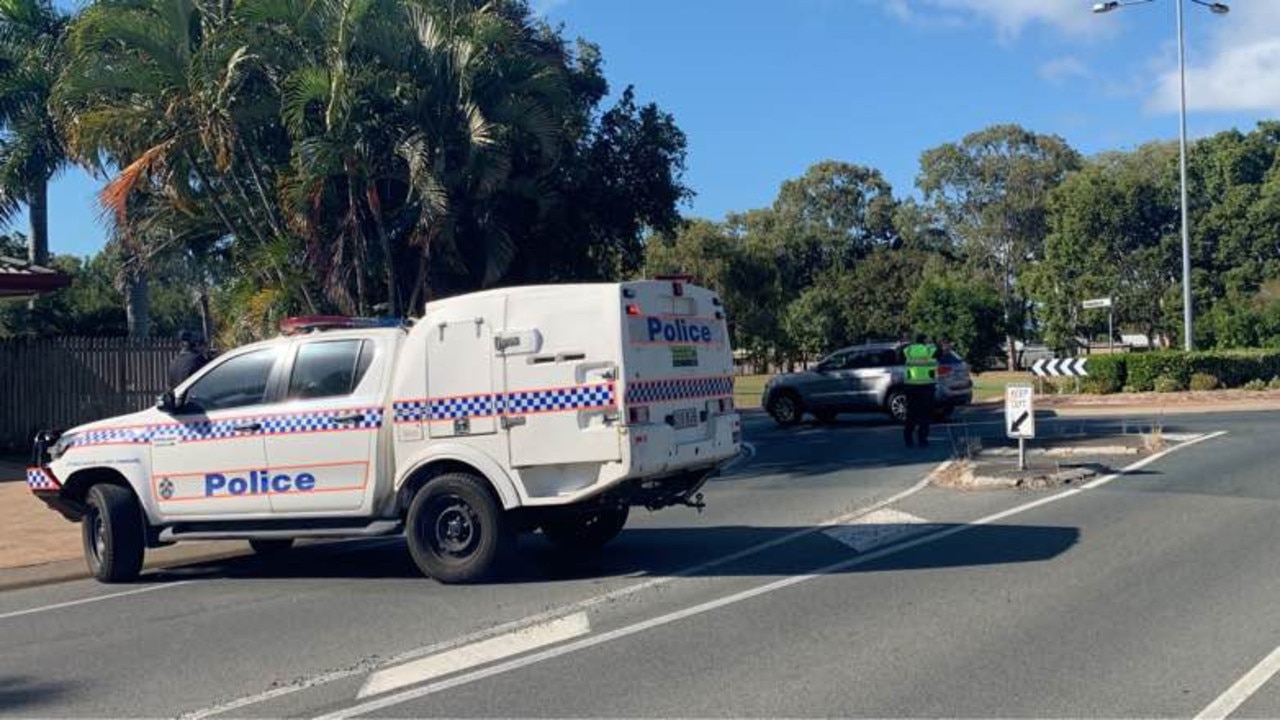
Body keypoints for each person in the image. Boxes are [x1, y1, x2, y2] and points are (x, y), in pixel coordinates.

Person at [902, 332, 940, 448]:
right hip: (927, 386)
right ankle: (922, 439)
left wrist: (907, 341)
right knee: (925, 415)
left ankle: (908, 439)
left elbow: (900, 352)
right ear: (925, 341)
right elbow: (939, 351)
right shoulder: (929, 350)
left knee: (911, 414)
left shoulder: (908, 350)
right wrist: (934, 341)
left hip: (911, 386)